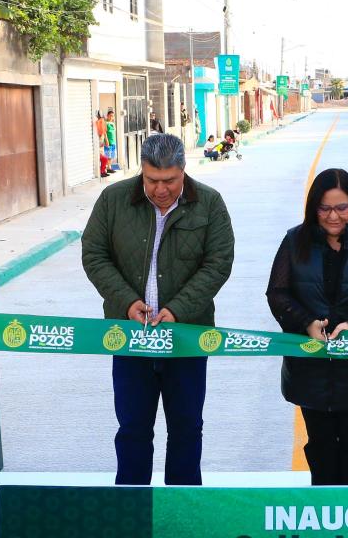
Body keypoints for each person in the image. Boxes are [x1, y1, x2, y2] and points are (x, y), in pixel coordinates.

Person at [81, 133, 235, 485]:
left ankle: (181, 512)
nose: (161, 189)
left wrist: (178, 309)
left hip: (186, 338)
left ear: (183, 170)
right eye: (152, 180)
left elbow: (218, 263)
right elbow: (94, 254)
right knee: (133, 428)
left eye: (170, 181)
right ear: (141, 171)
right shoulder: (113, 200)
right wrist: (126, 301)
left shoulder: (209, 203)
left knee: (186, 429)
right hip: (130, 337)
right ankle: (132, 508)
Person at [266, 168, 348, 485]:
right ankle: (323, 515)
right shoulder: (294, 241)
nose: (334, 216)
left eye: (342, 207)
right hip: (310, 370)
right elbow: (277, 293)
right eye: (325, 208)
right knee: (321, 445)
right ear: (314, 207)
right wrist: (306, 322)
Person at [95, 111, 111, 178]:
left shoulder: (101, 123)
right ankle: (102, 172)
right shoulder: (98, 123)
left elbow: (104, 133)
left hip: (101, 146)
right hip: (98, 147)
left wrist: (106, 141)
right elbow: (101, 133)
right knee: (104, 159)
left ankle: (103, 171)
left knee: (105, 158)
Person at [104, 108, 119, 173]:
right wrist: (106, 140)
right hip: (108, 141)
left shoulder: (112, 123)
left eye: (113, 116)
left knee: (112, 155)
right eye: (110, 115)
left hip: (113, 141)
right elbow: (105, 132)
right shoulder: (106, 123)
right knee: (108, 155)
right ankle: (108, 167)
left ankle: (109, 167)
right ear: (107, 115)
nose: (111, 117)